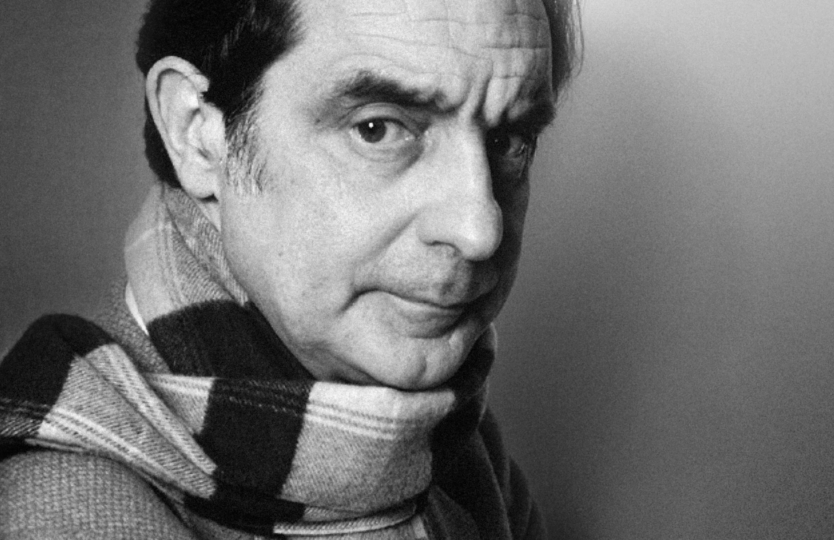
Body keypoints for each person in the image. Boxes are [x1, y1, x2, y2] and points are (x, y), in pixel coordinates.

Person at [0, 0, 580, 538]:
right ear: (196, 132)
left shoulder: (460, 445)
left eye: (510, 140)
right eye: (377, 128)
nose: (480, 231)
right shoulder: (66, 513)